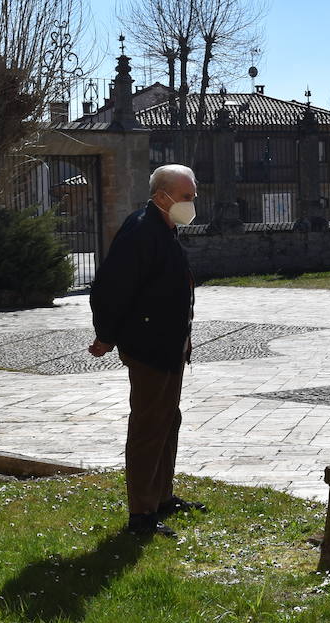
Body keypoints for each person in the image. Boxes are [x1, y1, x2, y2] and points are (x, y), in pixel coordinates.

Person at [88, 164, 205, 537]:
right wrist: (106, 336)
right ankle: (141, 514)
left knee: (168, 420)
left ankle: (162, 497)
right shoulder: (141, 230)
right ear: (161, 196)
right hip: (149, 346)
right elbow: (110, 288)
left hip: (169, 346)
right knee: (149, 427)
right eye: (186, 196)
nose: (192, 203)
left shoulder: (165, 229)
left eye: (193, 196)